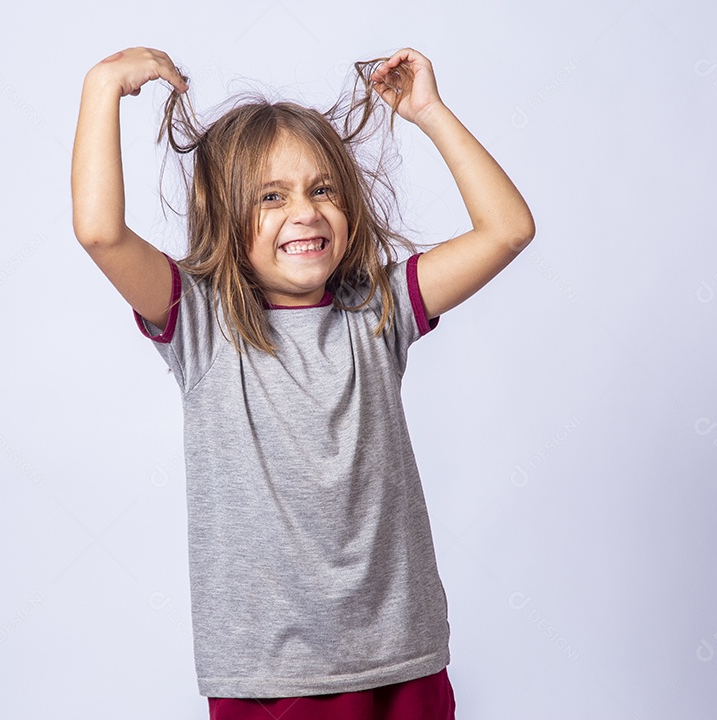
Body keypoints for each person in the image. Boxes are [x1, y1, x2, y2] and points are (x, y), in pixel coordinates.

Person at [71, 45, 534, 720]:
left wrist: (429, 113)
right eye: (270, 196)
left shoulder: (378, 311)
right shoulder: (200, 322)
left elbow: (508, 230)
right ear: (226, 217)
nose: (306, 212)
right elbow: (100, 233)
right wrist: (102, 85)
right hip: (270, 676)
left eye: (323, 189)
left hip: (403, 659)